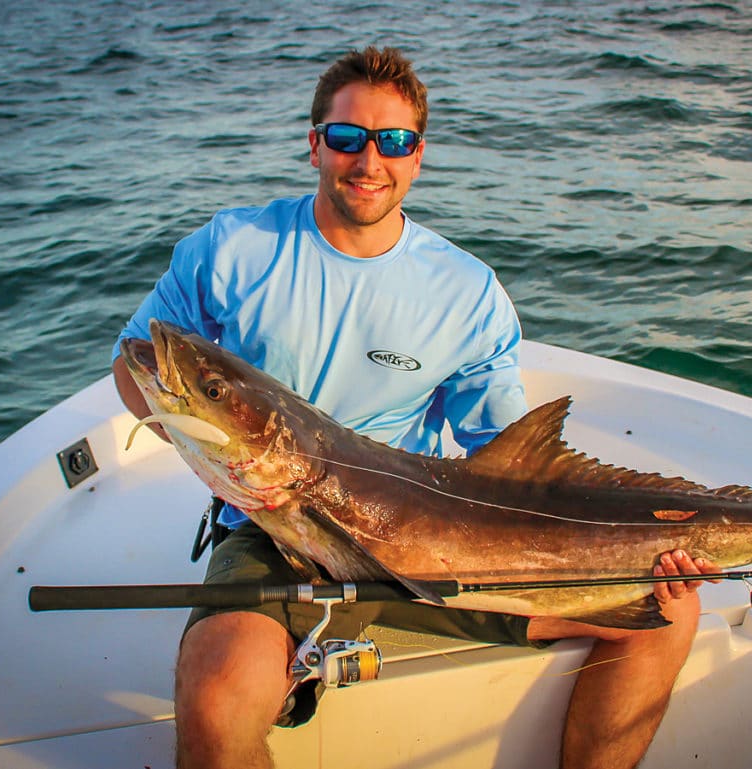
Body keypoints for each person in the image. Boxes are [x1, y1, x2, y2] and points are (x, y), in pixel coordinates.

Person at [112, 46, 719, 769]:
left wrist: (647, 545)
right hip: (270, 528)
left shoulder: (466, 291)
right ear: (314, 145)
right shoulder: (234, 247)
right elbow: (134, 360)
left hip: (433, 537)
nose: (369, 159)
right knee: (215, 695)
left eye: (393, 141)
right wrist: (200, 447)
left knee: (671, 609)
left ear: (418, 157)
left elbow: (510, 454)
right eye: (348, 138)